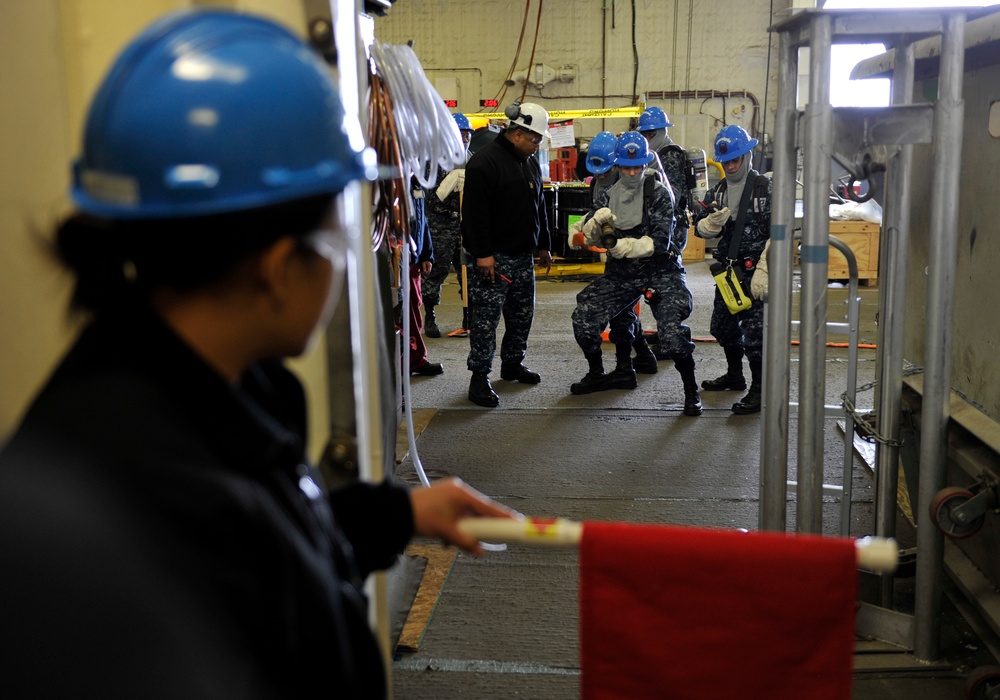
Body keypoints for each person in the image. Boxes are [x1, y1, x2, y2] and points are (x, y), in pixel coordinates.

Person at [0, 10, 516, 698]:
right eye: (338, 234)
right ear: (277, 266)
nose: (342, 259)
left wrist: (399, 515)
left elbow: (261, 551)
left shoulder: (205, 389)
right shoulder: (111, 516)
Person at [569, 132, 702, 416]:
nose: (631, 172)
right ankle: (597, 374)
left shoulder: (658, 193)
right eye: (626, 167)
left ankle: (691, 392)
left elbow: (660, 242)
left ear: (645, 164)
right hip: (623, 273)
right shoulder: (608, 193)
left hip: (660, 270)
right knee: (583, 318)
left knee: (671, 334)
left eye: (637, 167)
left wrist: (623, 246)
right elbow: (593, 229)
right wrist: (588, 231)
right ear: (617, 165)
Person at [461, 101, 554, 407]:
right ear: (517, 134)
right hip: (494, 259)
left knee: (521, 317)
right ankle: (480, 377)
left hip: (523, 256)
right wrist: (483, 253)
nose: (537, 145)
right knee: (486, 321)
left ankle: (512, 364)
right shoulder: (484, 164)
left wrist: (544, 244)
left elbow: (539, 205)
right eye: (535, 139)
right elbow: (474, 215)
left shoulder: (528, 161)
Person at [694, 124, 772, 414]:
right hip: (729, 274)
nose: (730, 166)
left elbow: (782, 232)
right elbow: (700, 228)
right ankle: (735, 376)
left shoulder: (765, 189)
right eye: (725, 162)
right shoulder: (719, 191)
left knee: (755, 337)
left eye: (735, 160)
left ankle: (760, 391)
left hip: (756, 272)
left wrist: (766, 266)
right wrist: (709, 224)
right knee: (722, 328)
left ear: (747, 157)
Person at [569, 131, 658, 378]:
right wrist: (579, 229)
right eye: (596, 172)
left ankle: (623, 369)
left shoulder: (638, 185)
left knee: (620, 314)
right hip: (616, 259)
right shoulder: (599, 183)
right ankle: (641, 358)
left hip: (640, 260)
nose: (601, 177)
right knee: (622, 309)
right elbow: (593, 213)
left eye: (606, 172)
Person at [422, 113, 473, 338]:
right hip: (440, 224)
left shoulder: (473, 159)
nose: (463, 139)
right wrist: (448, 184)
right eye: (459, 135)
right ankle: (430, 316)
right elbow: (429, 199)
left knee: (468, 272)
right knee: (437, 271)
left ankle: (469, 317)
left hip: (464, 223)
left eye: (467, 134)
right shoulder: (433, 163)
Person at [405, 176, 444, 376]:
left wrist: (426, 254)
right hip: (401, 259)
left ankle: (414, 358)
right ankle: (413, 359)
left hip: (414, 258)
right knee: (407, 315)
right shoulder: (396, 181)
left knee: (414, 310)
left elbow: (422, 220)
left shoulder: (416, 183)